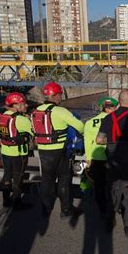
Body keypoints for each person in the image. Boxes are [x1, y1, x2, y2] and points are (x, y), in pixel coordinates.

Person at [96, 89, 128, 237]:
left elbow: (99, 140)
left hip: (112, 156)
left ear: (119, 101)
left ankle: (109, 219)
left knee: (112, 188)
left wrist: (111, 141)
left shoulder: (108, 118)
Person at [31, 82, 84, 218]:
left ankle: (46, 209)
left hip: (43, 150)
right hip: (60, 150)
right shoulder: (60, 111)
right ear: (55, 95)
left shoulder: (36, 111)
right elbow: (80, 126)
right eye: (60, 94)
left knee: (46, 180)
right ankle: (66, 209)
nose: (61, 97)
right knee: (64, 179)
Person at [0, 92, 34, 210]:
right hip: (19, 154)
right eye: (23, 104)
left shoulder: (0, 117)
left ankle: (6, 201)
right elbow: (35, 131)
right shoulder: (21, 120)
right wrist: (29, 119)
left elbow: (0, 135)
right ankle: (17, 203)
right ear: (16, 106)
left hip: (5, 152)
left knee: (7, 176)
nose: (26, 105)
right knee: (18, 178)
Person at [83, 96, 118, 216]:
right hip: (111, 157)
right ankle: (113, 207)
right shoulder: (115, 121)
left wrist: (88, 159)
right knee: (113, 185)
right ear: (111, 108)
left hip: (95, 158)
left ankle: (102, 210)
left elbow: (87, 142)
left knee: (99, 186)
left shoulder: (90, 122)